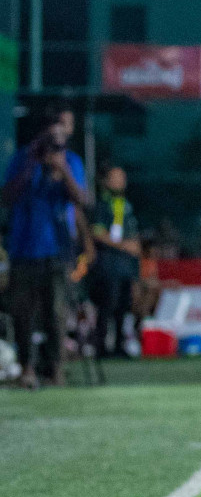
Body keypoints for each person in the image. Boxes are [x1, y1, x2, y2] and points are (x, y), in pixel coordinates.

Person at [2, 105, 94, 388]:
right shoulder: (22, 159)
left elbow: (83, 201)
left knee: (56, 313)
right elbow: (6, 197)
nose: (57, 141)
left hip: (58, 250)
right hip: (23, 249)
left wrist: (62, 169)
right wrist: (32, 164)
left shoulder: (71, 161)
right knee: (23, 313)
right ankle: (27, 367)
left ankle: (56, 370)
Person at [89, 165, 142, 357]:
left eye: (122, 177)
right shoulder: (101, 204)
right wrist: (124, 245)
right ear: (106, 181)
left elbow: (130, 233)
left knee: (123, 307)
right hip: (108, 265)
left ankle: (119, 346)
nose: (121, 181)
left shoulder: (125, 204)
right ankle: (101, 347)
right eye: (116, 177)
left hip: (125, 267)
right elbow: (97, 232)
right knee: (107, 306)